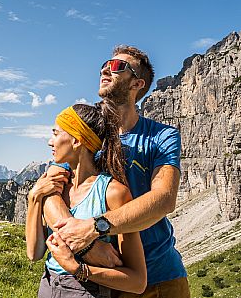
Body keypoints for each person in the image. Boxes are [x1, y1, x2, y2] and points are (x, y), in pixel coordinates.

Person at [42, 45, 191, 298]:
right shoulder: (84, 126)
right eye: (105, 64)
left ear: (137, 83)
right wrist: (86, 248)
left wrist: (95, 228)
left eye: (117, 66)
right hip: (108, 280)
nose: (105, 69)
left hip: (162, 278)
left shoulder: (162, 137)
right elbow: (51, 190)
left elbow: (164, 199)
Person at [26, 103, 147, 297]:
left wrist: (77, 268)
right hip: (49, 284)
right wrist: (33, 197)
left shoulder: (113, 193)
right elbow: (34, 254)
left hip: (88, 289)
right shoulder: (54, 185)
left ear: (76, 141)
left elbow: (137, 281)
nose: (50, 141)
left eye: (56, 134)